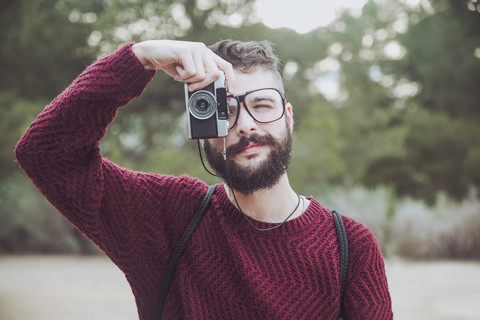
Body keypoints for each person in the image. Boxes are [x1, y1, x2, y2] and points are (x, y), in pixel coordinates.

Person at [15, 39, 393, 319]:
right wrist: (139, 58)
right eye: (223, 110)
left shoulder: (350, 247)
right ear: (200, 124)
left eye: (262, 104)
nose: (245, 124)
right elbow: (45, 153)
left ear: (288, 116)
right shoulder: (167, 215)